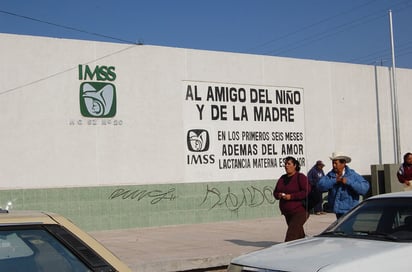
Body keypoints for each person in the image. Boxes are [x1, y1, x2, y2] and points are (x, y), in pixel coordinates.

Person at [318, 152, 370, 219]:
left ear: (343, 163)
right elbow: (320, 186)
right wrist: (335, 181)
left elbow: (364, 188)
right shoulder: (331, 175)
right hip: (337, 211)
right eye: (333, 163)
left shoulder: (352, 175)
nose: (334, 165)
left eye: (336, 163)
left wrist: (349, 182)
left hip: (350, 210)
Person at [273, 156, 310, 242]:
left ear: (295, 165)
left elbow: (306, 191)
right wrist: (278, 195)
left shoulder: (300, 177)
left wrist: (291, 196)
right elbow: (275, 192)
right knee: (298, 235)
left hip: (300, 211)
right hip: (287, 213)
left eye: (289, 164)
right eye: (285, 164)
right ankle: (304, 247)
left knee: (291, 236)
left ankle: (286, 253)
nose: (286, 166)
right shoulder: (282, 178)